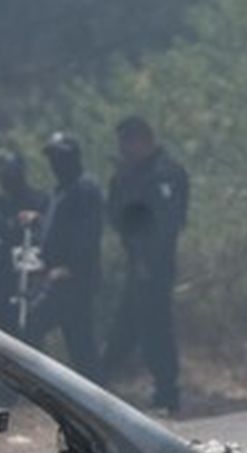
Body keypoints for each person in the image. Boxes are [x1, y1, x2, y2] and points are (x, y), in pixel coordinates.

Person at [105, 115, 189, 412]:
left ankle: (168, 392)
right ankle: (100, 383)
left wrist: (148, 261)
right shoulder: (128, 174)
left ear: (143, 140)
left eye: (129, 142)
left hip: (156, 264)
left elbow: (167, 223)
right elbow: (117, 214)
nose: (125, 149)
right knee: (127, 326)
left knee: (155, 327)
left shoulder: (165, 173)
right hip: (135, 261)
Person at [26, 131, 102, 377]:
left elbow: (88, 233)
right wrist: (38, 220)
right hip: (58, 276)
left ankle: (34, 382)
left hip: (73, 278)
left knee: (33, 324)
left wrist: (71, 267)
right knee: (80, 343)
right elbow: (58, 226)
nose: (54, 163)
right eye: (52, 158)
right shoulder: (61, 189)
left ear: (72, 158)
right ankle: (95, 400)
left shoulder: (85, 188)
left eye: (59, 157)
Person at [0, 150, 47, 339]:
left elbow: (54, 231)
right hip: (2, 277)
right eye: (4, 174)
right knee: (6, 330)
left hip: (32, 277)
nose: (8, 178)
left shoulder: (39, 200)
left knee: (31, 329)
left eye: (12, 173)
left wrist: (38, 219)